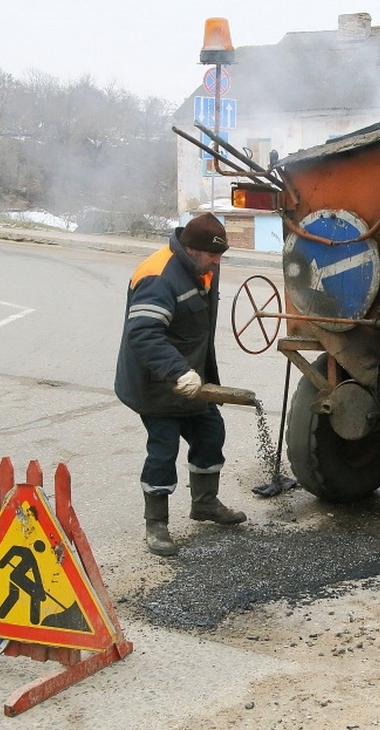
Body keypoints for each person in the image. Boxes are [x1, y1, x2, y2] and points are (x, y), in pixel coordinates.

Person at [115, 212, 246, 557]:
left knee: (210, 433)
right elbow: (142, 335)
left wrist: (198, 374)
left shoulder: (202, 267)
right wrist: (178, 372)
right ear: (191, 249)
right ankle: (156, 525)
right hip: (156, 382)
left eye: (220, 255)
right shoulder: (157, 277)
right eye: (213, 255)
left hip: (191, 379)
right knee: (163, 449)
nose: (218, 263)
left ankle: (204, 503)